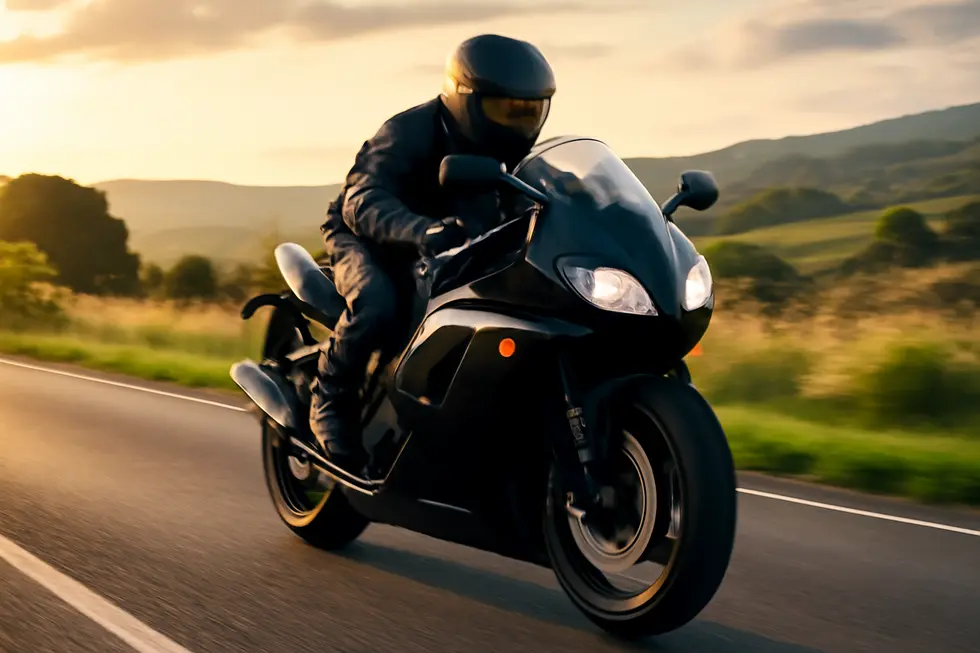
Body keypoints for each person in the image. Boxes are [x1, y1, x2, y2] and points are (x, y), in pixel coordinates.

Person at [311, 34, 556, 474]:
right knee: (378, 304)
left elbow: (548, 197)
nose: (517, 123)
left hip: (453, 247)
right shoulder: (410, 130)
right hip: (365, 237)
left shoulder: (522, 153)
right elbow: (362, 199)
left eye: (530, 110)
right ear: (467, 98)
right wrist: (420, 230)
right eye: (506, 108)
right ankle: (328, 396)